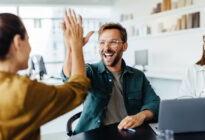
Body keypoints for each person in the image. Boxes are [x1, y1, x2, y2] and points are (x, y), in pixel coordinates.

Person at [0, 9, 90, 140]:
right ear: (17, 42)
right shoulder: (22, 91)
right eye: (28, 40)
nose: (30, 48)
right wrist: (76, 45)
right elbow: (78, 89)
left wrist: (71, 48)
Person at [61, 22, 160, 134]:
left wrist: (140, 116)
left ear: (124, 46)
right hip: (93, 135)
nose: (106, 48)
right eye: (102, 43)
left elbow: (155, 103)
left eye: (113, 42)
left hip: (126, 134)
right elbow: (69, 79)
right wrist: (71, 48)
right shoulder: (90, 71)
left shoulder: (137, 76)